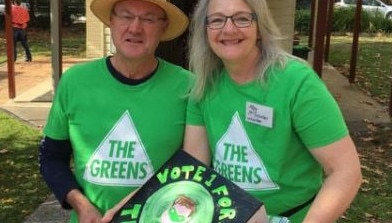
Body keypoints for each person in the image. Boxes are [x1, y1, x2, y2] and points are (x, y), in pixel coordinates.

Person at [183, 0, 362, 222]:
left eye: (241, 18)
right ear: (205, 30)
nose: (228, 29)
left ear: (259, 26)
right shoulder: (204, 85)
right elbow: (194, 169)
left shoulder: (297, 83)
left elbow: (346, 172)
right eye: (217, 20)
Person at [38, 0, 192, 222]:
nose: (135, 28)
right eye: (126, 16)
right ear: (111, 21)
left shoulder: (187, 87)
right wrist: (80, 204)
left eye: (148, 19)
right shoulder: (75, 81)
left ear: (163, 27)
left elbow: (196, 167)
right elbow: (51, 157)